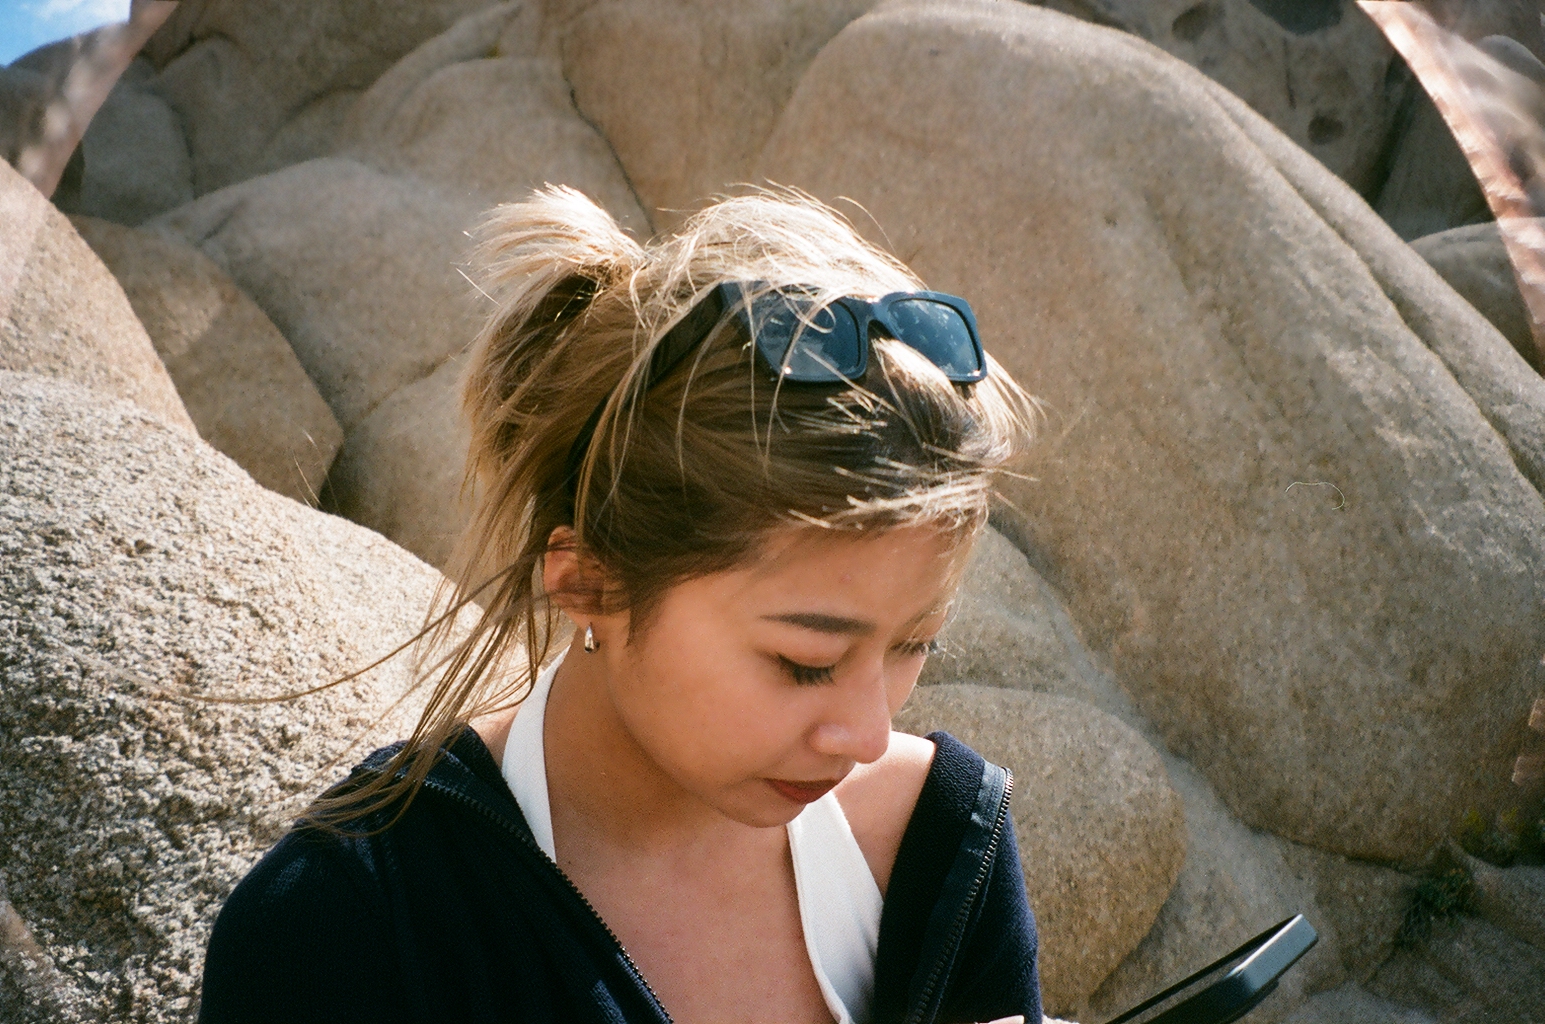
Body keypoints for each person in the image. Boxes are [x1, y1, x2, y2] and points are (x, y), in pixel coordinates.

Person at [198, 186, 1045, 1024]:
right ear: (588, 583)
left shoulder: (939, 846)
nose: (866, 737)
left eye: (915, 645)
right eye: (805, 663)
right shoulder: (345, 924)